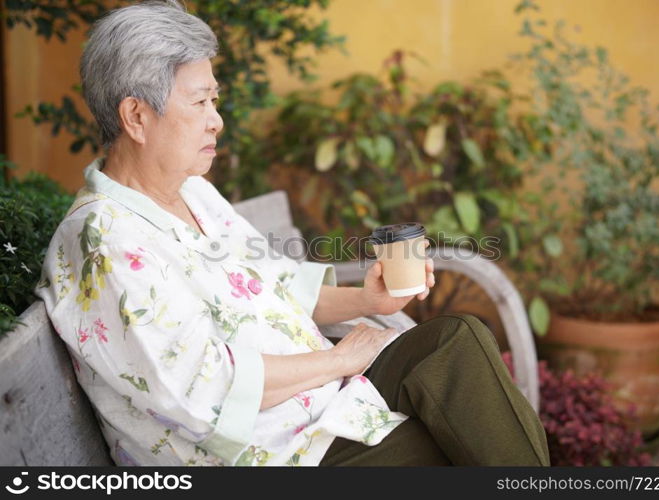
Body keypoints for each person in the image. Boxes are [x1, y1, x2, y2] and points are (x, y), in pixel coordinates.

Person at [36, 0, 550, 467]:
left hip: (328, 408)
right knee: (461, 442)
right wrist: (338, 358)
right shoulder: (104, 241)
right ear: (136, 116)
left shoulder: (193, 194)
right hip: (278, 454)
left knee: (456, 343)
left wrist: (368, 300)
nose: (217, 121)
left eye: (215, 101)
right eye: (199, 103)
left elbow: (277, 285)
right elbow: (203, 392)